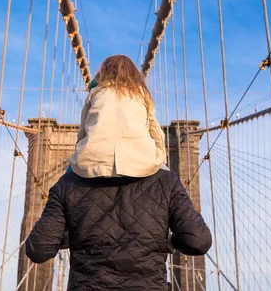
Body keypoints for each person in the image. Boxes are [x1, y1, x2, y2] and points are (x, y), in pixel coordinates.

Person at [25, 55, 212, 290]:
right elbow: (198, 240)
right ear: (145, 117)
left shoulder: (68, 183)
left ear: (91, 116)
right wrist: (165, 241)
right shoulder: (166, 182)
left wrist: (75, 238)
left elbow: (38, 249)